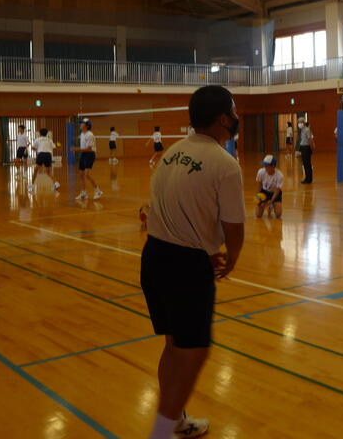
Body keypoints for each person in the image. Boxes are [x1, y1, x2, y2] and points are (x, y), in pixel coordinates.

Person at [141, 85, 244, 439]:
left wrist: (203, 244)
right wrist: (232, 259)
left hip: (154, 256)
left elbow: (168, 207)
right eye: (233, 110)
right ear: (223, 119)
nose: (237, 116)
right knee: (194, 353)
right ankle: (161, 433)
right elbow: (234, 227)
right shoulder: (225, 164)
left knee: (175, 347)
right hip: (185, 268)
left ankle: (176, 420)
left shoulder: (173, 153)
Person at [72, 118, 103, 200]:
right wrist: (78, 149)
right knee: (81, 174)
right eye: (81, 123)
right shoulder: (82, 134)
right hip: (84, 154)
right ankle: (83, 193)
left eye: (82, 123)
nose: (80, 124)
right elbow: (83, 147)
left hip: (90, 154)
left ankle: (98, 191)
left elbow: (89, 148)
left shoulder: (90, 135)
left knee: (87, 174)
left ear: (87, 126)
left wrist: (76, 149)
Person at [255, 154, 283, 218]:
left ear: (273, 166)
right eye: (264, 165)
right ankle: (266, 202)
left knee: (278, 214)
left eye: (266, 165)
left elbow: (277, 190)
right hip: (264, 192)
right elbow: (259, 185)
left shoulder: (279, 175)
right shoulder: (261, 172)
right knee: (258, 215)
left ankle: (272, 205)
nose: (265, 167)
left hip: (274, 193)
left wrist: (271, 201)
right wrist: (258, 197)